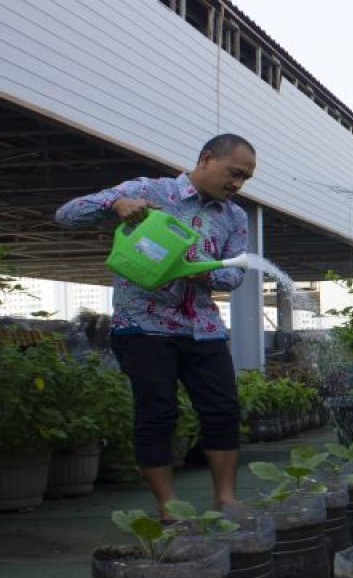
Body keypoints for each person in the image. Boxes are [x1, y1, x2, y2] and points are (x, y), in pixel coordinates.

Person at [55, 133, 257, 519]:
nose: (238, 184)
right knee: (157, 411)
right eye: (234, 173)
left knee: (222, 409)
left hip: (203, 328)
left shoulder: (234, 216)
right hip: (143, 326)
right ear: (207, 158)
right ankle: (168, 506)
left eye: (245, 179)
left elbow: (234, 276)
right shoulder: (149, 190)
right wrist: (118, 204)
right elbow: (67, 215)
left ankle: (227, 499)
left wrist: (198, 271)